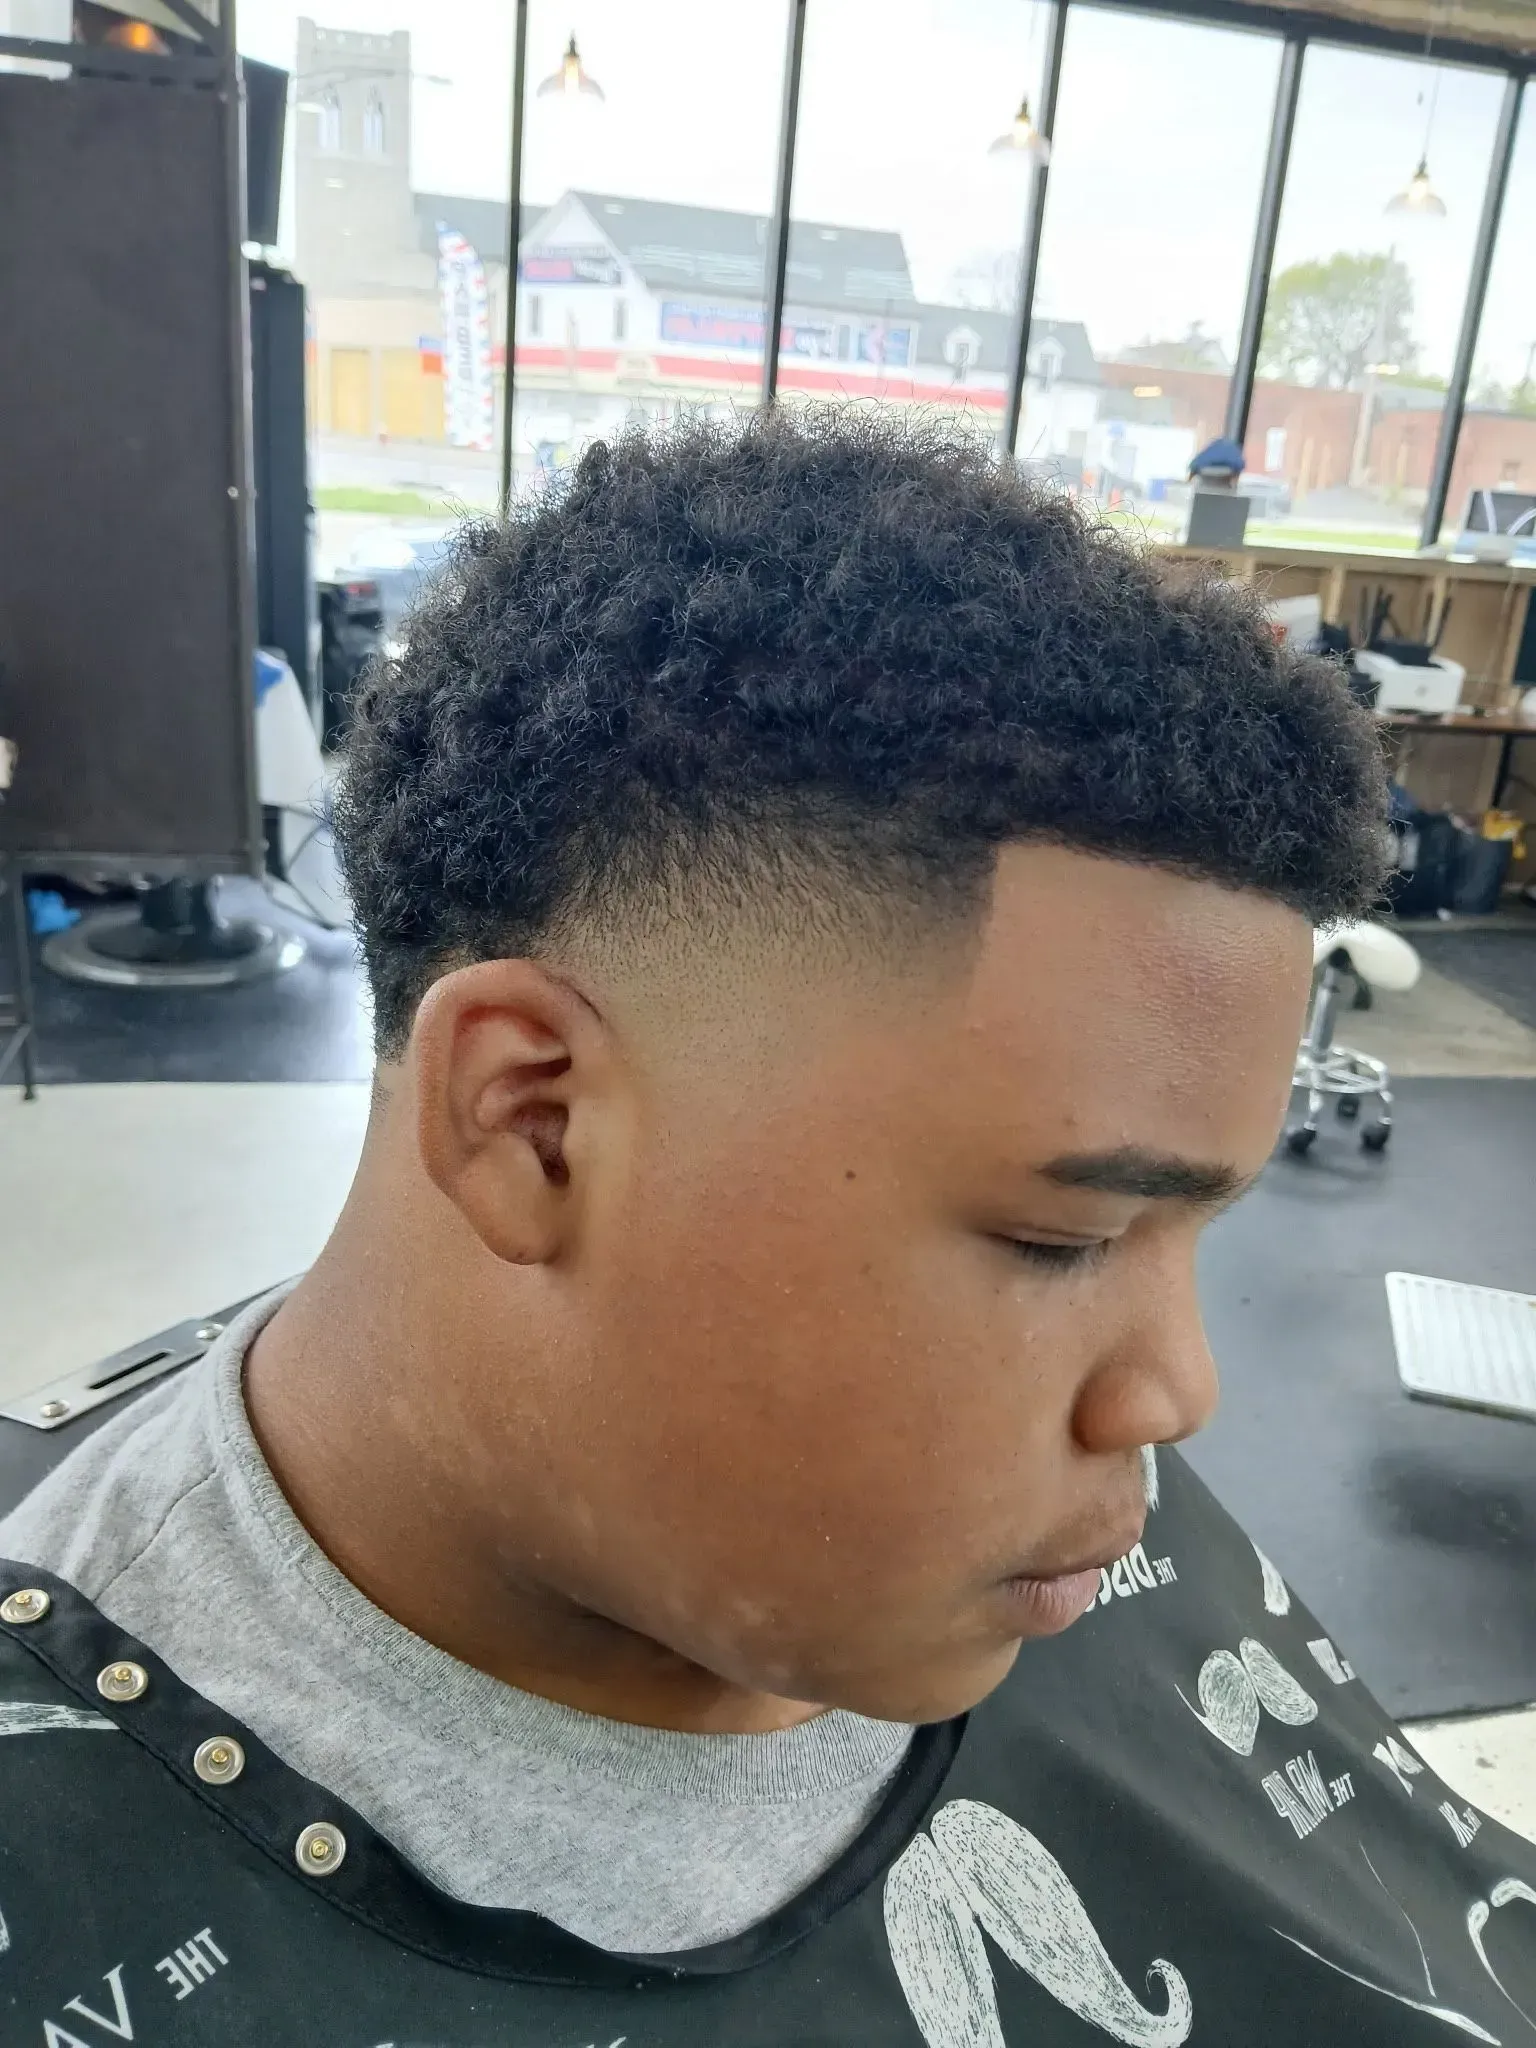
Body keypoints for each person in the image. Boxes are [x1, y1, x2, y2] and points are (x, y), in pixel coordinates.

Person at [2, 412, 1531, 2046]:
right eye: (1062, 1240)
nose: (1174, 1398)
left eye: (1194, 1234)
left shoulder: (1011, 1521)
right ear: (530, 1122)